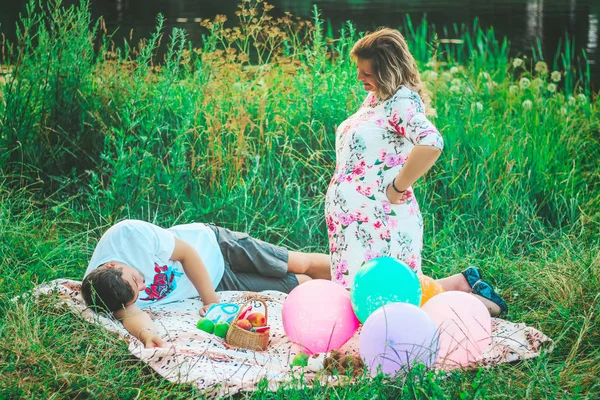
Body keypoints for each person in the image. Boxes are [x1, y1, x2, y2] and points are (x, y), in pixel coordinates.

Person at [324, 28, 507, 316]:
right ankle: (461, 283)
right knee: (372, 296)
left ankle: (480, 304)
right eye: (358, 70)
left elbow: (432, 142)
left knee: (392, 300)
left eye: (366, 72)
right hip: (355, 224)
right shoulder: (376, 98)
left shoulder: (401, 102)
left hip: (382, 220)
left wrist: (397, 187)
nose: (360, 77)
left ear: (387, 70)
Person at [81, 219, 331, 348]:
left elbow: (187, 254)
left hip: (216, 247)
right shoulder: (107, 293)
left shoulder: (127, 234)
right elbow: (131, 316)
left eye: (137, 280)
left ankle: (352, 269)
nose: (144, 286)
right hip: (220, 282)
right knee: (300, 283)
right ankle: (342, 293)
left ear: (112, 265)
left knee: (300, 264)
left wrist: (210, 301)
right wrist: (148, 336)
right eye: (139, 292)